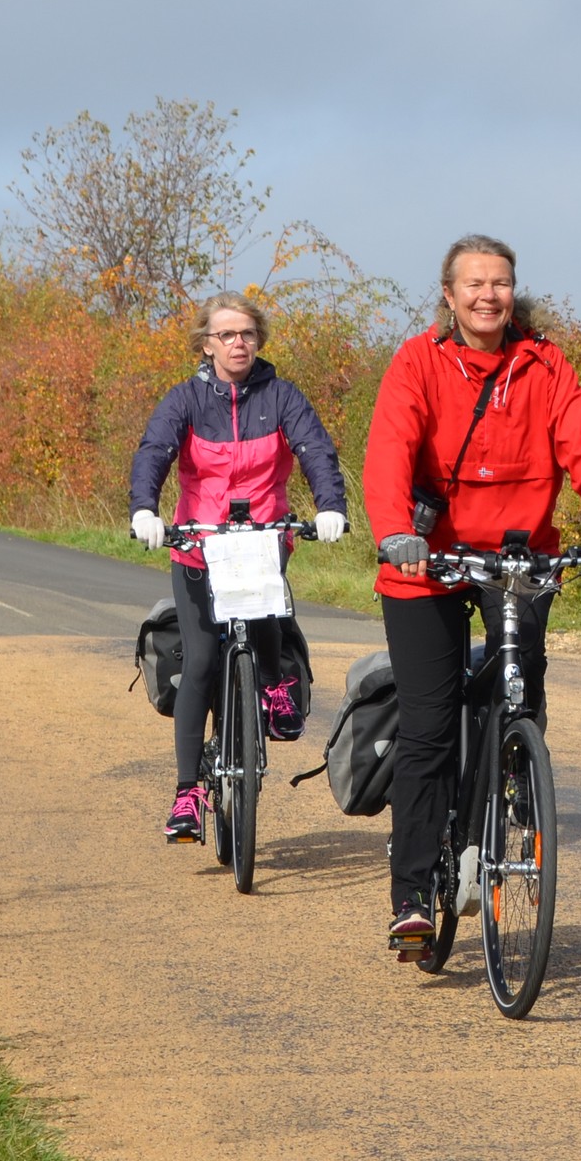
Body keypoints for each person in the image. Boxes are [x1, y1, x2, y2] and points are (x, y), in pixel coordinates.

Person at [363, 234, 581, 955]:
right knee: (428, 727)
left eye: (501, 283)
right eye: (475, 284)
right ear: (449, 295)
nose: (489, 295)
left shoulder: (544, 365)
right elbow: (390, 450)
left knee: (518, 695)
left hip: (518, 558)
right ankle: (414, 891)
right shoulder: (419, 361)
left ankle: (501, 795)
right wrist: (396, 531)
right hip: (426, 561)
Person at [131, 291, 350, 844]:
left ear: (259, 341)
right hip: (198, 546)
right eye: (226, 334)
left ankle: (275, 683)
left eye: (247, 333)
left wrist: (330, 508)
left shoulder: (281, 396)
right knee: (203, 658)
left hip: (261, 538)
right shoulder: (185, 400)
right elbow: (155, 450)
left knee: (264, 619)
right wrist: (144, 509)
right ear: (206, 343)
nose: (237, 342)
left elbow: (315, 450)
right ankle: (187, 793)